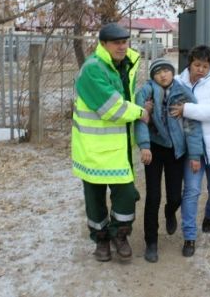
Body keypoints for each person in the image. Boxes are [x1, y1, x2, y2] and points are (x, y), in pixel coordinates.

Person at [71, 22, 150, 262]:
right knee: (95, 200)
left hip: (119, 147)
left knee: (126, 195)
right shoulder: (93, 69)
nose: (122, 46)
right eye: (117, 42)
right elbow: (111, 107)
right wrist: (139, 112)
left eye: (125, 42)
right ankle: (101, 240)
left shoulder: (126, 63)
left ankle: (120, 234)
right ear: (103, 44)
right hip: (93, 149)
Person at [134, 57, 203, 263]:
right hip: (154, 150)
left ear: (172, 73)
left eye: (166, 70)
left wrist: (194, 155)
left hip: (176, 150)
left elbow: (192, 124)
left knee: (174, 196)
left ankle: (170, 211)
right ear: (153, 76)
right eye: (158, 72)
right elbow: (141, 119)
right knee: (153, 196)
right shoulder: (146, 92)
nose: (163, 75)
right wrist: (145, 145)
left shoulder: (183, 92)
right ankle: (151, 243)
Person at [170, 45, 210, 257]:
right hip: (192, 150)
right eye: (197, 65)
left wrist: (187, 110)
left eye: (205, 66)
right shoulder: (178, 83)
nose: (200, 70)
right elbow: (170, 109)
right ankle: (189, 237)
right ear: (189, 64)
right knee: (191, 191)